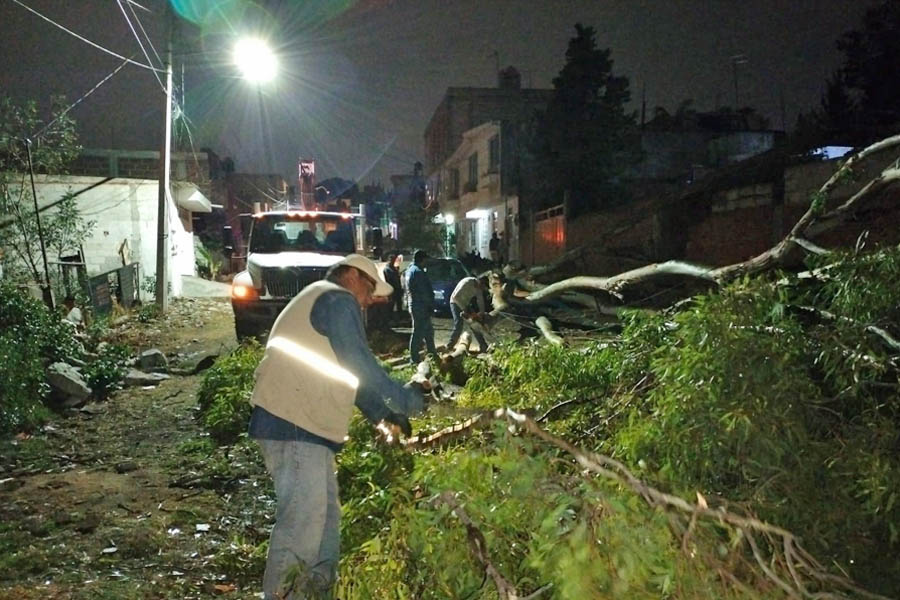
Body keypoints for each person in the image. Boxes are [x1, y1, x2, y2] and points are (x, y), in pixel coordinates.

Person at [248, 254, 423, 599]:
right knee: (303, 526)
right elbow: (359, 362)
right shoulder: (335, 298)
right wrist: (404, 400)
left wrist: (382, 416)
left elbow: (347, 376)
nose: (371, 299)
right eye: (371, 288)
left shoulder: (323, 298)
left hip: (305, 429)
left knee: (324, 526)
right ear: (352, 276)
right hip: (294, 425)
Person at [404, 249, 438, 364]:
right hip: (421, 306)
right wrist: (430, 306)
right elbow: (424, 292)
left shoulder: (409, 270)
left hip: (414, 304)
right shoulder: (418, 272)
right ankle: (414, 359)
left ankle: (432, 353)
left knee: (428, 331)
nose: (427, 261)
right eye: (426, 259)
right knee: (418, 333)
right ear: (422, 260)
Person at [447, 275, 489, 352]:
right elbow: (456, 297)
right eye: (482, 287)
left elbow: (480, 301)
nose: (482, 289)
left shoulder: (479, 288)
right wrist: (465, 310)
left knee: (475, 324)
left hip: (466, 303)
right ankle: (450, 345)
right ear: (480, 282)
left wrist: (481, 313)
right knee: (459, 323)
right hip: (455, 302)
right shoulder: (467, 282)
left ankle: (483, 345)